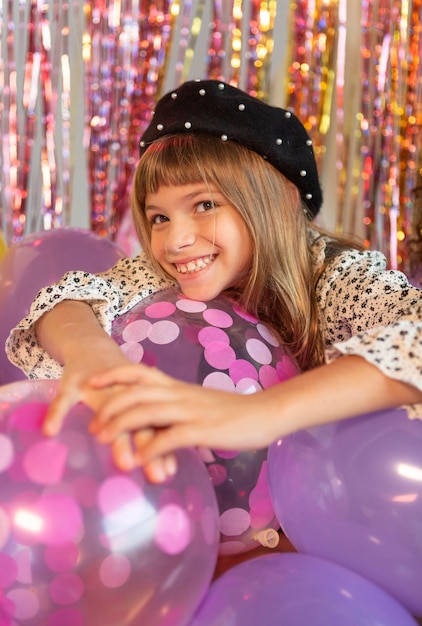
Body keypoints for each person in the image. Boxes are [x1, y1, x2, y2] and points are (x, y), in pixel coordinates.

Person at [6, 79, 422, 484]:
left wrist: (260, 414)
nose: (176, 241)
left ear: (280, 201)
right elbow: (69, 299)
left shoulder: (337, 279)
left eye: (205, 204)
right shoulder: (160, 275)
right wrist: (92, 355)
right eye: (160, 218)